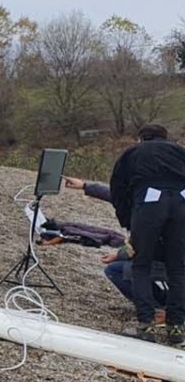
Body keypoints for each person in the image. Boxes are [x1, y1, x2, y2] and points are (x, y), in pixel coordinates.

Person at [109, 124, 185, 345]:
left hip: (150, 201)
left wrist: (128, 222)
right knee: (178, 269)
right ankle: (176, 328)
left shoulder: (132, 153)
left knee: (140, 264)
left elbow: (118, 188)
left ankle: (146, 324)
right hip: (182, 202)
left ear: (141, 139)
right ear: (165, 138)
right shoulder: (179, 151)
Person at [62, 175, 168, 322]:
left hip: (172, 263)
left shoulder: (166, 208)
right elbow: (117, 197)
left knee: (127, 270)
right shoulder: (149, 199)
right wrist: (85, 186)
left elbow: (144, 245)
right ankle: (160, 305)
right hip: (159, 257)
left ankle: (167, 312)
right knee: (116, 269)